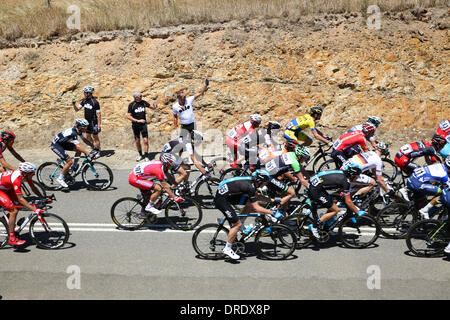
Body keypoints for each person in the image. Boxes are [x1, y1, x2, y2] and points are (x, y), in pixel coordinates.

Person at [214, 170, 285, 260]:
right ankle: (227, 249)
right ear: (259, 181)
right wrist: (272, 212)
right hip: (222, 199)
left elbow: (257, 197)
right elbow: (257, 208)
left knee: (249, 203)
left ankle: (241, 222)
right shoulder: (250, 186)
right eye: (264, 183)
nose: (265, 185)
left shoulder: (252, 182)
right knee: (237, 224)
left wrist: (273, 200)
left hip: (227, 194)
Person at [307, 165, 367, 238]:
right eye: (357, 176)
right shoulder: (346, 182)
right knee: (335, 210)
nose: (357, 178)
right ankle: (314, 226)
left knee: (332, 202)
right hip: (316, 190)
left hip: (316, 183)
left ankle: (325, 221)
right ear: (352, 176)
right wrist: (357, 211)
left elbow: (340, 189)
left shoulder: (342, 173)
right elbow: (348, 201)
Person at [0, 162, 46, 246]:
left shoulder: (25, 175)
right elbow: (21, 199)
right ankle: (11, 238)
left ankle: (6, 221)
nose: (33, 175)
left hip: (6, 187)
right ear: (25, 173)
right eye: (32, 173)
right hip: (2, 190)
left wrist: (43, 197)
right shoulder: (16, 179)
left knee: (18, 206)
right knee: (13, 211)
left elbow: (33, 188)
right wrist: (35, 209)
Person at [128, 154, 184, 221]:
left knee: (149, 195)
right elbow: (165, 187)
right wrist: (174, 197)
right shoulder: (158, 170)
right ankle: (149, 206)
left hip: (139, 175)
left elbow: (169, 177)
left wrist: (175, 185)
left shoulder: (163, 165)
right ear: (166, 164)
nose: (172, 166)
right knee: (158, 188)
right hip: (134, 179)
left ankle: (144, 213)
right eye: (171, 164)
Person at [50, 118, 98, 188]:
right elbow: (78, 146)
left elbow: (84, 140)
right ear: (79, 127)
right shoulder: (73, 133)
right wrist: (87, 152)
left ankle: (74, 167)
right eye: (85, 127)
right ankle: (60, 178)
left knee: (78, 151)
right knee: (69, 161)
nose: (86, 129)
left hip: (63, 143)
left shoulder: (78, 131)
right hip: (56, 145)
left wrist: (92, 146)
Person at [173, 78, 209, 143]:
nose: (185, 99)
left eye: (185, 97)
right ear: (179, 99)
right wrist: (175, 128)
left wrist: (205, 85)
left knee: (194, 141)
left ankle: (193, 148)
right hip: (184, 126)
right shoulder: (175, 106)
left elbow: (200, 93)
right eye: (183, 98)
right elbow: (175, 117)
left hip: (192, 124)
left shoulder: (189, 100)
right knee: (181, 142)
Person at [127, 91, 158, 161]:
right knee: (137, 141)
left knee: (146, 141)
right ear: (136, 97)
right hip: (135, 125)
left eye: (141, 96)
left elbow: (152, 107)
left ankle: (146, 156)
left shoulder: (143, 102)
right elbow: (128, 116)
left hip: (143, 125)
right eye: (140, 96)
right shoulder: (131, 105)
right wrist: (138, 120)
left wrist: (155, 106)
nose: (142, 97)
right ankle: (140, 155)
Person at [72, 86, 102, 151]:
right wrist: (74, 104)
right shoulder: (84, 100)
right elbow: (77, 109)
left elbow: (99, 114)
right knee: (88, 137)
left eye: (85, 92)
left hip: (93, 122)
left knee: (95, 137)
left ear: (89, 93)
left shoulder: (95, 102)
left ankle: (98, 151)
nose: (84, 93)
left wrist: (99, 125)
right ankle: (93, 149)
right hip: (87, 123)